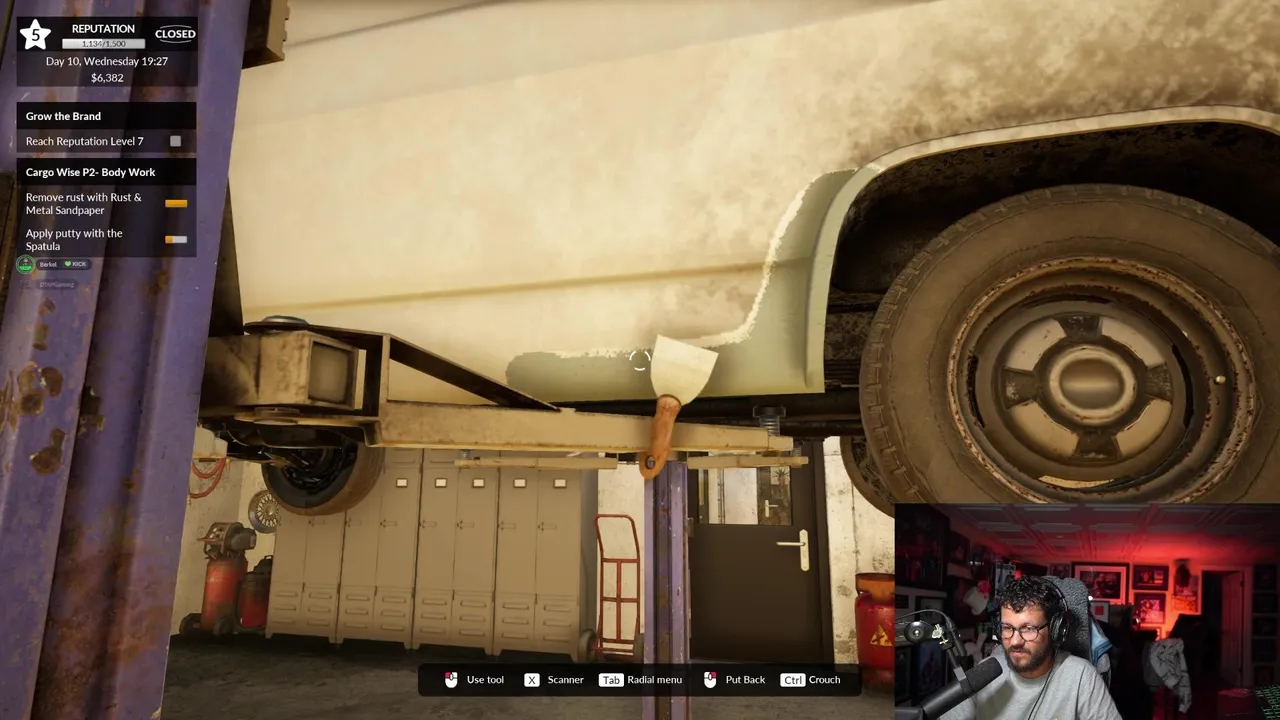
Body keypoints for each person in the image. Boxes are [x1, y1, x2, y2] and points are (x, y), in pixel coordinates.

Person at [941, 577, 1122, 720]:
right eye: (1007, 628)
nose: (1015, 641)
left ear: (1055, 630)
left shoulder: (1081, 676)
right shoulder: (984, 673)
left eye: (1028, 629)